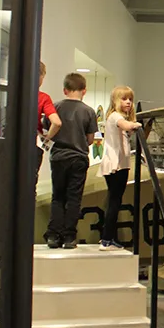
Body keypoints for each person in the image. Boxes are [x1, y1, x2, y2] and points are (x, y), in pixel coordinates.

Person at [46, 73, 98, 250]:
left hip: (59, 157)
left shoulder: (56, 107)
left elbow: (48, 129)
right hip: (78, 158)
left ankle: (53, 235)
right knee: (74, 198)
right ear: (84, 90)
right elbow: (90, 140)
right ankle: (69, 237)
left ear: (64, 90)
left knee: (57, 197)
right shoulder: (89, 111)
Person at [98, 86, 142, 251]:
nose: (128, 102)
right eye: (124, 99)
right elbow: (126, 125)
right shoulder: (115, 117)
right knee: (114, 201)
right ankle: (107, 239)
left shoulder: (117, 117)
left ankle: (108, 237)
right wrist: (136, 124)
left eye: (130, 99)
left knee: (115, 200)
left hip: (119, 164)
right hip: (116, 166)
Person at [36, 61, 61, 189]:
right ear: (40, 76)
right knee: (30, 183)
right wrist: (46, 138)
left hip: (8, 143)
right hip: (32, 146)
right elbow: (56, 122)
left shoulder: (12, 92)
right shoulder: (43, 98)